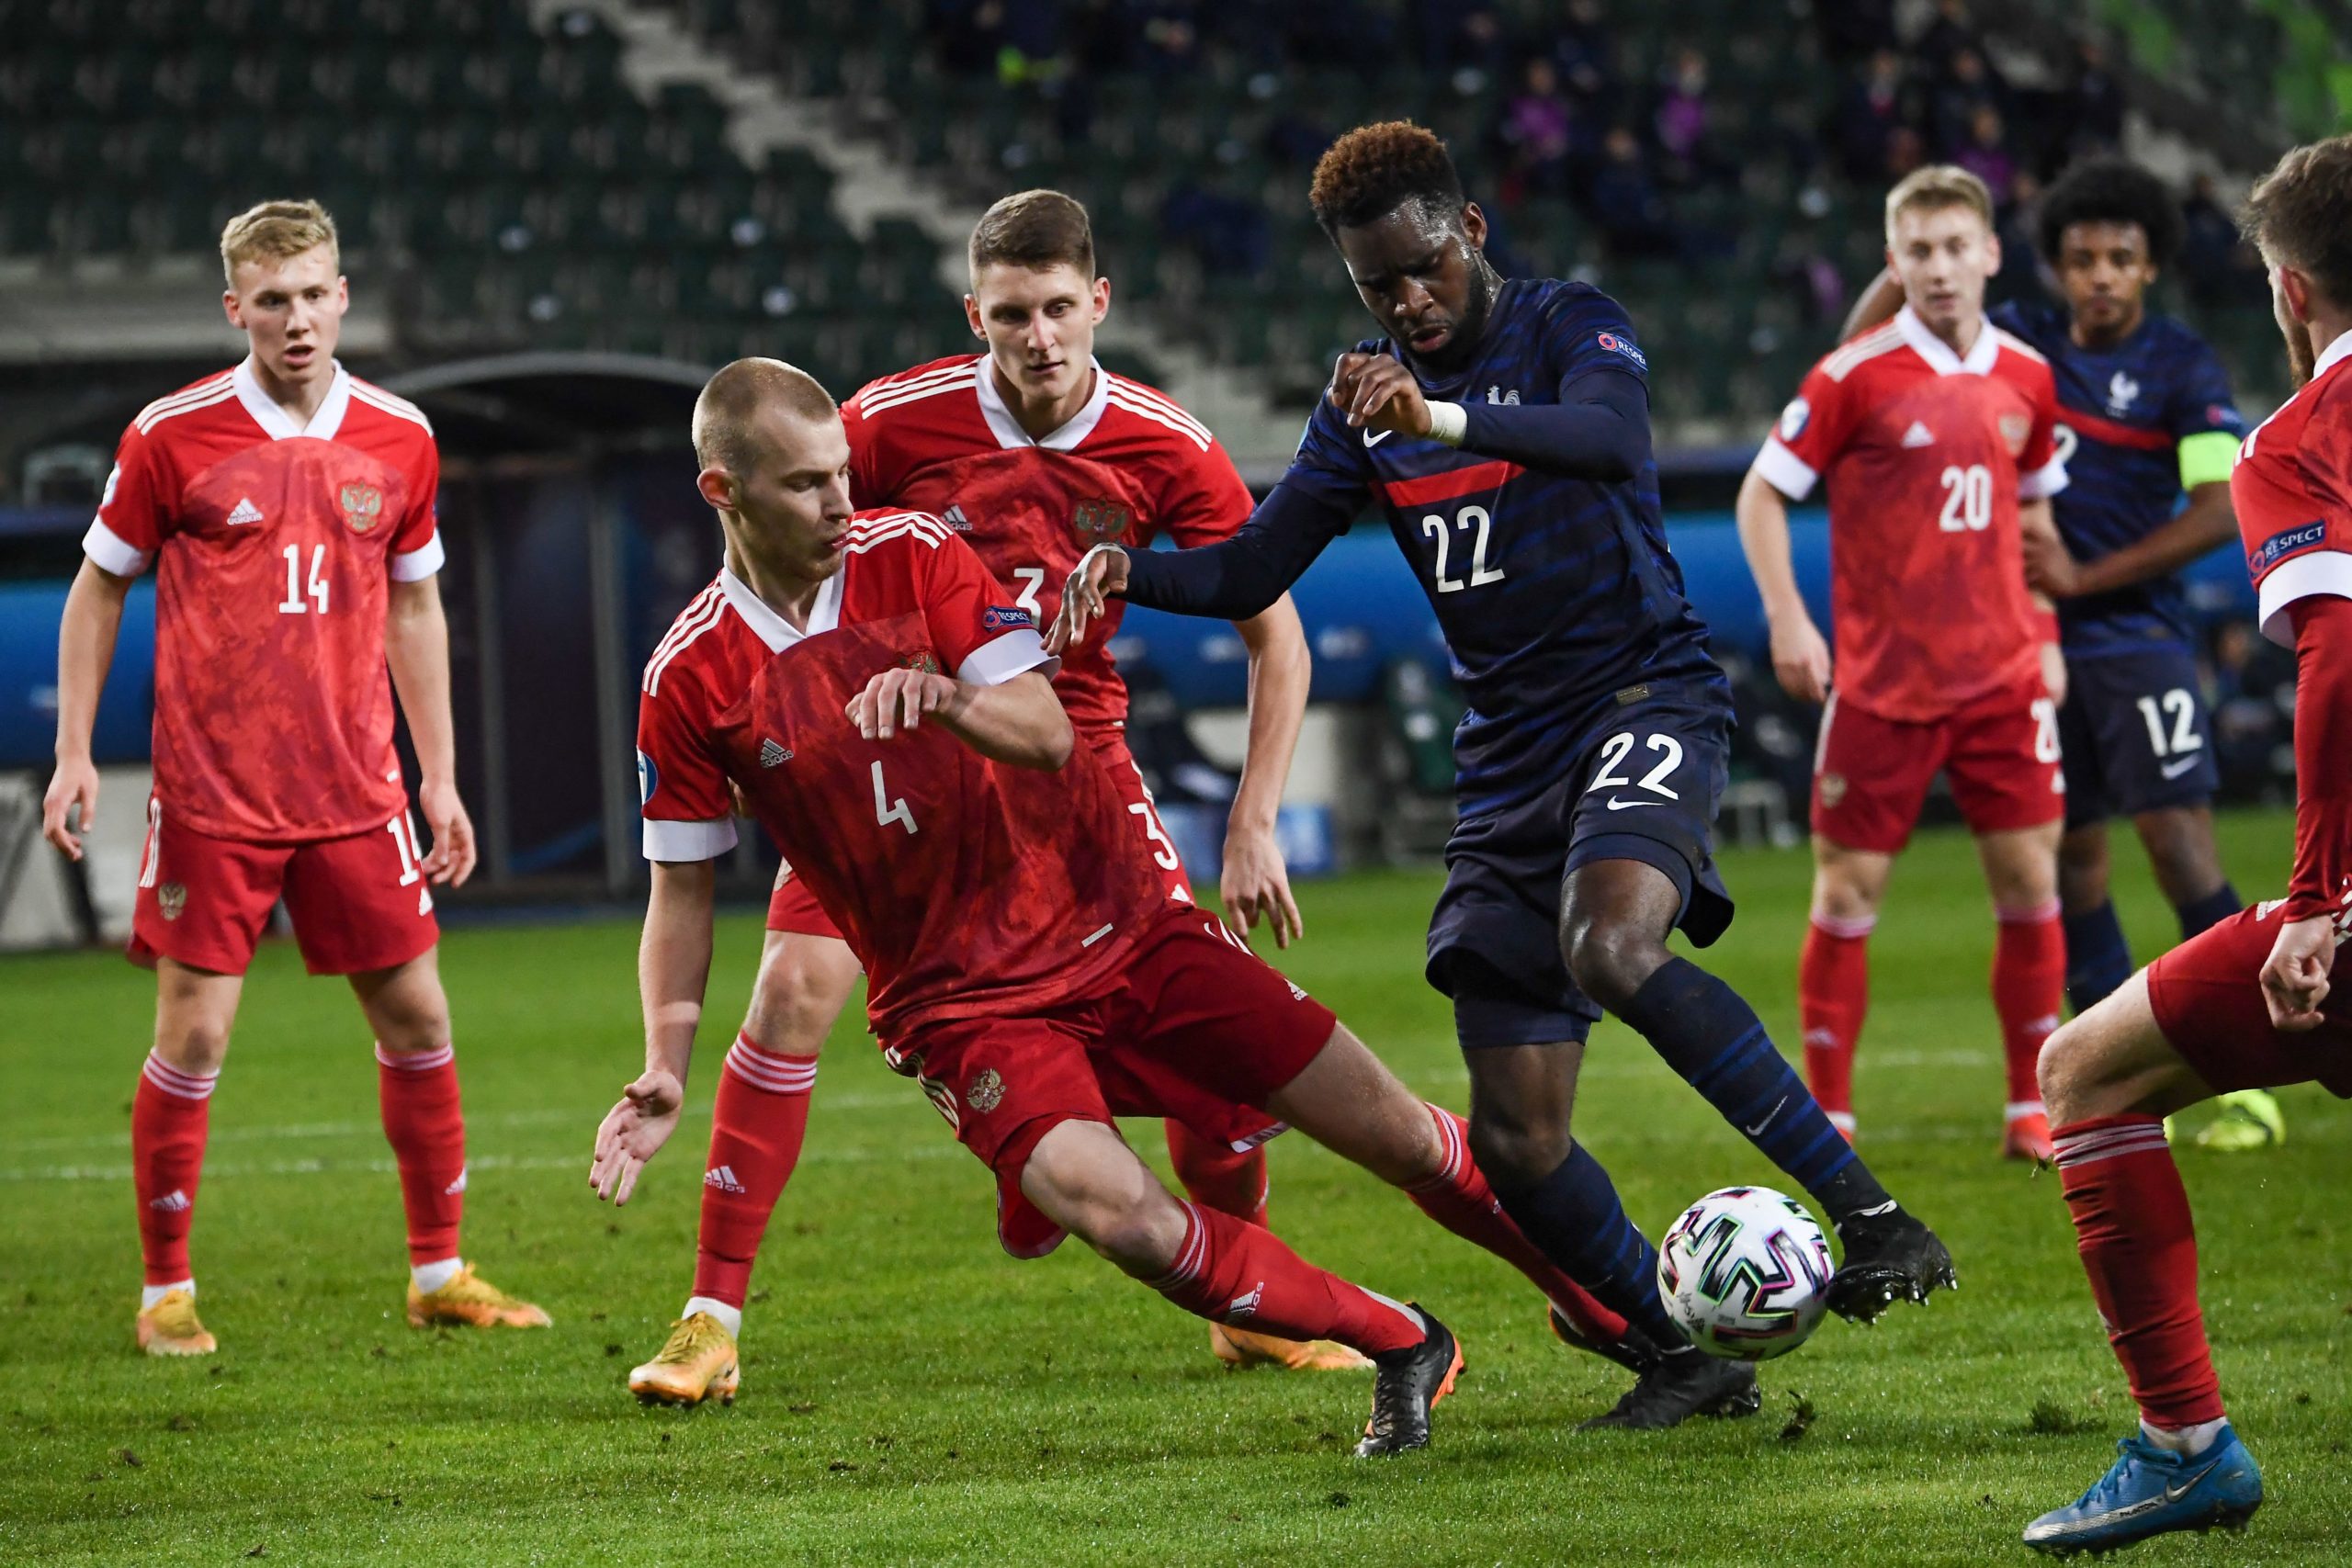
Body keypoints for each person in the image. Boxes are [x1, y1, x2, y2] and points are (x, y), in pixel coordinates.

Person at [1054, 121, 1953, 1432]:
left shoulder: (1569, 324)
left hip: (1642, 692)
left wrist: (1447, 412)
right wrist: (1140, 570)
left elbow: (1604, 439)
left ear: (1470, 232)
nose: (1408, 301)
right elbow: (1253, 570)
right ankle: (1685, 1355)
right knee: (1519, 1136)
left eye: (1424, 268)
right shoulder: (1360, 403)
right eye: (1377, 286)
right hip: (1509, 754)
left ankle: (1876, 1216)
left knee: (1612, 948)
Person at [592, 357, 1651, 1446]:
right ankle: (1404, 1338)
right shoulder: (689, 677)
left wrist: (951, 698)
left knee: (1398, 1134)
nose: (840, 501)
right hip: (959, 1005)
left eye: (840, 476)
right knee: (1119, 1216)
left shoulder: (913, 553)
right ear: (724, 492)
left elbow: (1049, 731)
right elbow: (681, 890)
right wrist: (665, 1061)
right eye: (806, 485)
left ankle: (1613, 1307)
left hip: (1118, 925)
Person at [620, 191, 1329, 1401]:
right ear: (975, 314)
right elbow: (771, 529)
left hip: (1071, 761)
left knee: (1211, 1051)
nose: (1040, 336)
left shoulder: (1169, 446)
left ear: (1099, 302)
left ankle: (1245, 1301)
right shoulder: (891, 422)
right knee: (791, 986)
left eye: (1060, 309)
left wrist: (1254, 818)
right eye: (1012, 315)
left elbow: (1279, 636)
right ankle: (709, 1316)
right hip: (892, 757)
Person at [40, 199, 546, 1356]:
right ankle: (165, 1290)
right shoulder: (171, 435)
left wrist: (442, 776)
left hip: (356, 789)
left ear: (342, 297)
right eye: (273, 301)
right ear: (238, 310)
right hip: (215, 793)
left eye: (315, 295)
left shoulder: (403, 437)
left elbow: (416, 607)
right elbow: (97, 588)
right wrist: (75, 749)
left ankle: (440, 1272)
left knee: (420, 1016)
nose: (298, 319)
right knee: (197, 1039)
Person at [2019, 131, 2352, 1557]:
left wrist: (2322, 898)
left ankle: (2183, 1439)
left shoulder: (2297, 437)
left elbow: (2340, 653)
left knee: (2082, 1072)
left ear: (2286, 288)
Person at [1838, 157, 2278, 1152]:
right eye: (2081, 259)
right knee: (2070, 864)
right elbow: (1863, 344)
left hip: (2137, 640)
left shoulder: (2181, 369)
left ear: (2150, 266)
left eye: (2120, 259)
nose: (2100, 277)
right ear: (2050, 267)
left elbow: (2217, 511)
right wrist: (1909, 252)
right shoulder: (2016, 340)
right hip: (2026, 647)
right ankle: (2119, 1078)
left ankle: (2251, 1076)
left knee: (2178, 845)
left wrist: (2088, 575)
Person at [1737, 164, 2071, 1160]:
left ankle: (2029, 1109)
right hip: (1883, 687)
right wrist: (1789, 622)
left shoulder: (2028, 376)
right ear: (1893, 262)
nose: (1938, 268)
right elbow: (1761, 495)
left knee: (2028, 883)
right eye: (1917, 251)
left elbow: (2035, 520)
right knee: (1844, 896)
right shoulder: (1849, 377)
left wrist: (2047, 634)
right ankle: (1829, 1118)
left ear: (1989, 255)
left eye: (1954, 247)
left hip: (2005, 678)